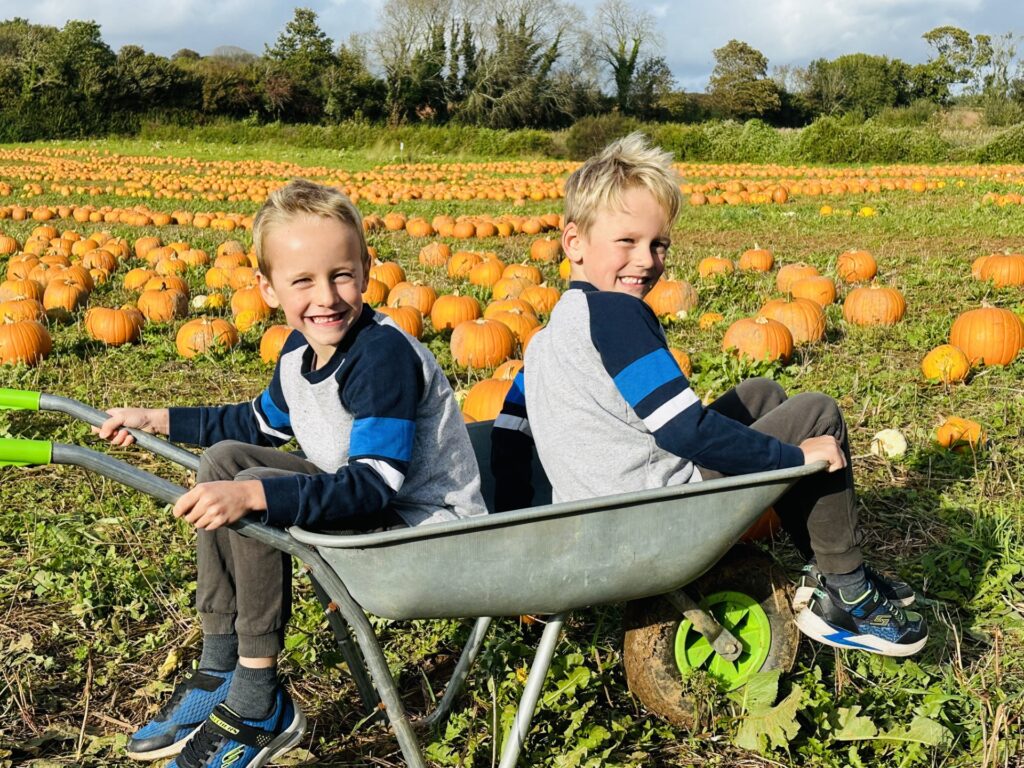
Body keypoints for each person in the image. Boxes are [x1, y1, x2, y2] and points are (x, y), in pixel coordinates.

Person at [95, 179, 487, 768]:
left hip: (421, 532)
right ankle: (221, 664)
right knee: (224, 461)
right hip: (367, 509)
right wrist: (156, 418)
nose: (325, 296)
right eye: (302, 280)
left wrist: (256, 493)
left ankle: (260, 697)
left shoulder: (382, 357)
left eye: (341, 275)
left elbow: (376, 483)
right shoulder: (298, 354)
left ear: (366, 268)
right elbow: (254, 423)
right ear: (267, 288)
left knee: (250, 486)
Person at [491, 133, 926, 658]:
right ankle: (846, 592)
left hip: (591, 520)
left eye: (658, 245)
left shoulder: (546, 336)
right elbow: (683, 429)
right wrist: (792, 457)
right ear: (574, 242)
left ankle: (825, 567)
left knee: (760, 394)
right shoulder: (618, 315)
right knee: (817, 414)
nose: (646, 261)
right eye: (626, 242)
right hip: (651, 512)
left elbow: (510, 435)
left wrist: (519, 532)